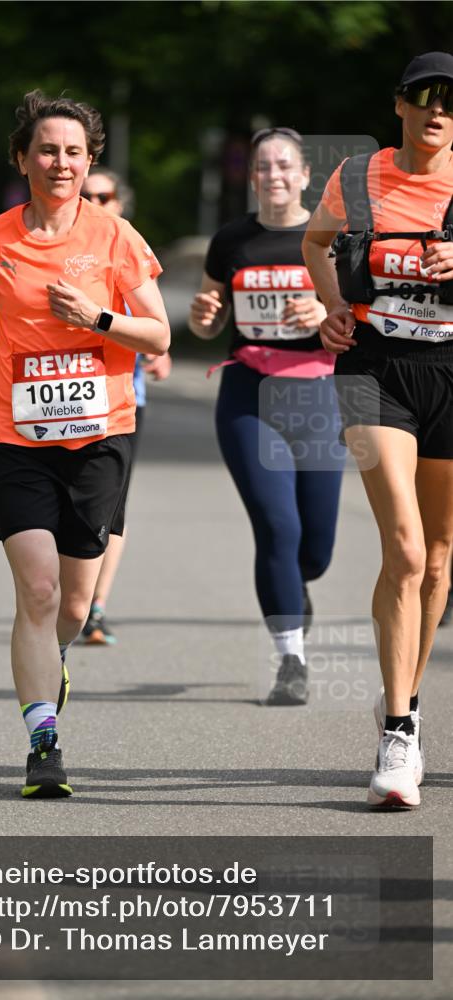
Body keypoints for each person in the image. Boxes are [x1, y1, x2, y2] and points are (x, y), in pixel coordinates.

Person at [0, 91, 170, 798]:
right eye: (47, 149)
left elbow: (158, 334)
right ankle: (43, 742)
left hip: (98, 437)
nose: (60, 162)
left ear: (89, 159)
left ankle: (55, 655)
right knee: (35, 589)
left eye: (73, 151)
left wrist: (99, 317)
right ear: (22, 158)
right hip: (13, 436)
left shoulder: (114, 236)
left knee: (72, 605)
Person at [302, 52, 453, 809]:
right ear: (398, 104)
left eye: (450, 101)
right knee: (399, 546)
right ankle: (396, 733)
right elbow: (313, 243)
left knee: (435, 558)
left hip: (451, 373)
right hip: (370, 372)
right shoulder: (356, 178)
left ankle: (407, 698)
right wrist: (331, 304)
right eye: (423, 96)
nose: (437, 110)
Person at [189, 127, 345, 706]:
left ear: (305, 175)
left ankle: (297, 588)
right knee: (276, 527)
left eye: (284, 166)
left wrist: (327, 308)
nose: (273, 175)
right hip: (248, 396)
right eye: (262, 167)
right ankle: (291, 659)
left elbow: (363, 313)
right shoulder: (231, 240)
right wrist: (203, 316)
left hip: (319, 398)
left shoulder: (331, 236)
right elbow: (206, 323)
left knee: (316, 550)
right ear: (251, 176)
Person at [79, 166, 172, 645]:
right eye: (87, 193)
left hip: (123, 399)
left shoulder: (128, 245)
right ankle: (69, 594)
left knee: (112, 508)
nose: (96, 200)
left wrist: (161, 354)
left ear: (120, 201)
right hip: (59, 399)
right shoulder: (63, 247)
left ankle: (95, 607)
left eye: (105, 194)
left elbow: (151, 320)